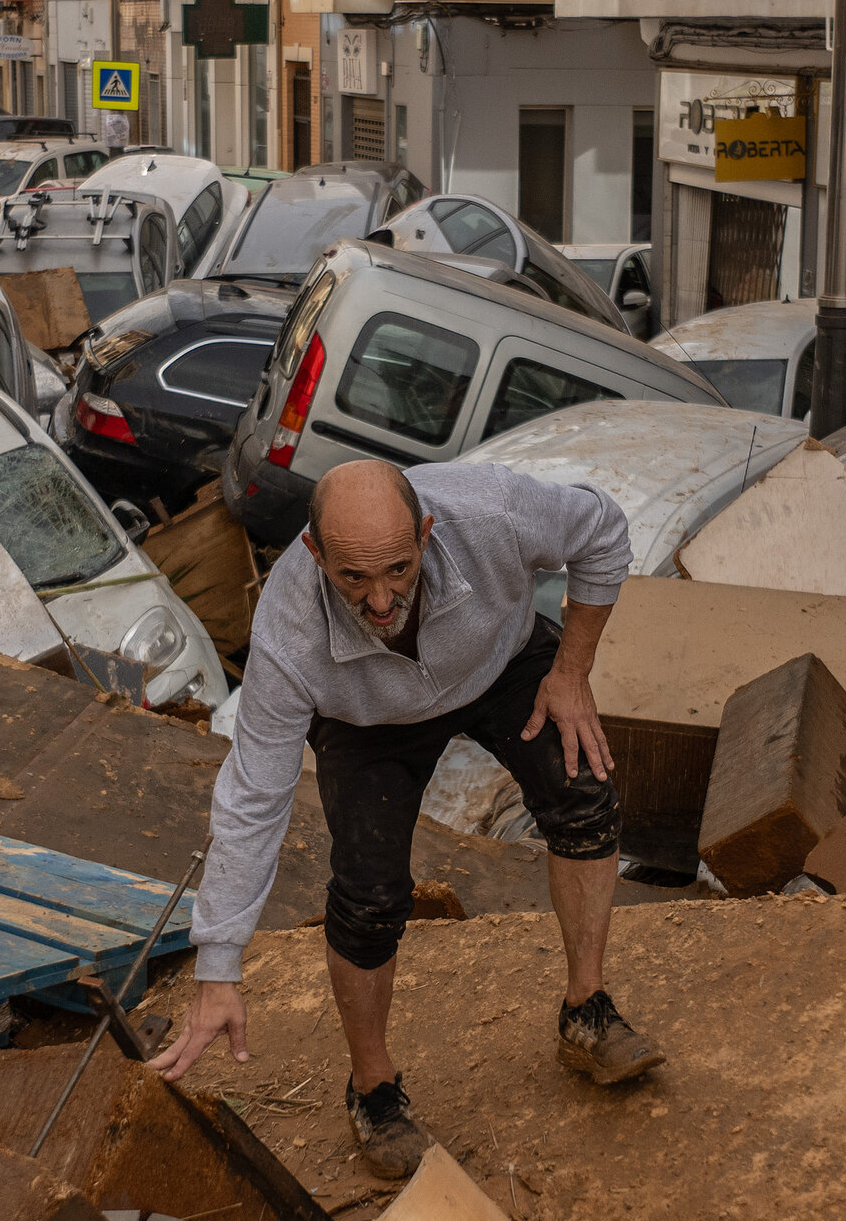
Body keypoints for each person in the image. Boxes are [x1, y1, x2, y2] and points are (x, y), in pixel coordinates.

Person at [149, 457, 664, 1179]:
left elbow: (604, 531)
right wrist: (218, 961)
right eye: (353, 579)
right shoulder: (286, 635)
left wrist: (571, 671)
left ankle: (587, 1008)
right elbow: (253, 795)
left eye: (398, 568)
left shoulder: (495, 512)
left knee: (584, 796)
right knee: (368, 893)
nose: (383, 601)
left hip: (501, 663)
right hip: (367, 720)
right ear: (313, 554)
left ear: (427, 533)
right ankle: (374, 1091)